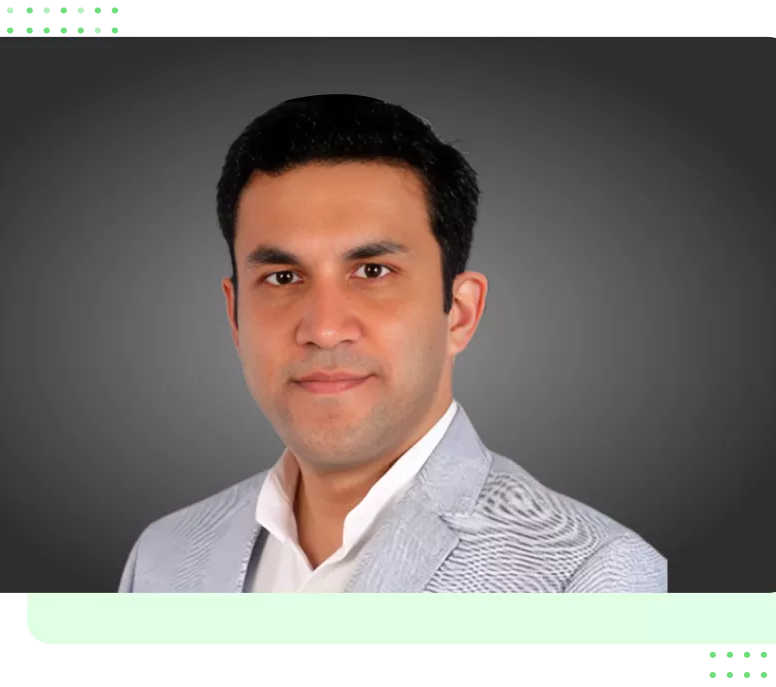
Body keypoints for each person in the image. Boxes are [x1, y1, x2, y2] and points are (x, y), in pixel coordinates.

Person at [118, 93, 667, 593]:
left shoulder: (590, 575)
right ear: (235, 317)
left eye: (373, 271)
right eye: (283, 277)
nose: (324, 328)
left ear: (460, 313)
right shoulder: (164, 557)